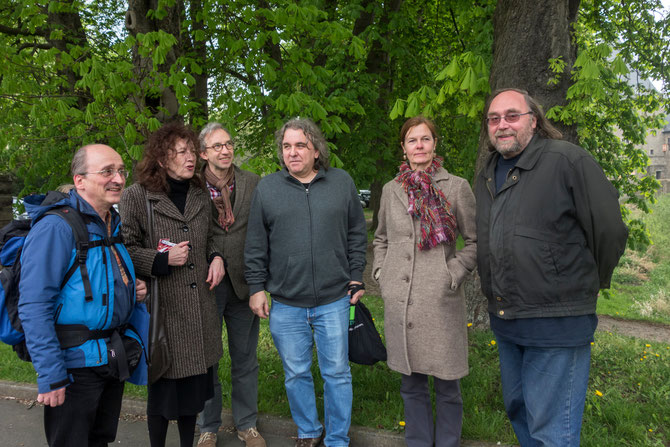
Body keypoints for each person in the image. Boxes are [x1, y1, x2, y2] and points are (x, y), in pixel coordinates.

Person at [475, 88, 629, 446]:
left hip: (556, 322)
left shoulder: (567, 161)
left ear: (534, 120)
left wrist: (581, 284)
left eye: (512, 115)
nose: (502, 125)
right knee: (520, 411)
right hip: (508, 320)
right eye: (494, 119)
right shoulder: (488, 173)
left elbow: (608, 230)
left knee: (552, 431)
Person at [244, 118, 367, 447]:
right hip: (286, 303)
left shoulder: (341, 183)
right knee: (296, 373)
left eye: (300, 145)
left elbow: (357, 233)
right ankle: (309, 431)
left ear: (316, 150)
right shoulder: (267, 189)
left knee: (337, 374)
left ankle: (337, 438)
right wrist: (256, 288)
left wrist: (357, 275)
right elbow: (256, 244)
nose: (292, 152)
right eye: (286, 146)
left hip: (334, 300)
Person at [18, 144, 147, 447]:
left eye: (121, 171)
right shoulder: (57, 228)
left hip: (110, 357)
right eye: (107, 172)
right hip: (74, 365)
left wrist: (130, 289)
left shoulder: (109, 223)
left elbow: (94, 279)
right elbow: (34, 305)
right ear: (80, 180)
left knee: (99, 440)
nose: (118, 178)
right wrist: (51, 375)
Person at [372, 116, 476, 447]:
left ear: (434, 145)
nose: (419, 145)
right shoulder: (391, 190)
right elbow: (381, 239)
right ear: (403, 148)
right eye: (412, 140)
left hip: (439, 300)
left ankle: (447, 443)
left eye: (425, 139)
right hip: (401, 301)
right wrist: (381, 274)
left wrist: (453, 272)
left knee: (447, 384)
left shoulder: (456, 187)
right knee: (410, 383)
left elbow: (476, 242)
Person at [119, 121, 225, 447]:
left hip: (199, 313)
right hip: (163, 314)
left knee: (193, 396)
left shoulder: (199, 193)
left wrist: (218, 256)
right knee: (163, 398)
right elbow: (125, 248)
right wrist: (162, 260)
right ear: (163, 159)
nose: (190, 157)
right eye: (181, 152)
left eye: (192, 151)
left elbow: (212, 236)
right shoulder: (138, 197)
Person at [195, 122, 265, 447]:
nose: (225, 150)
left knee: (245, 357)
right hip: (206, 284)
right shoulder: (191, 186)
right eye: (217, 146)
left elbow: (264, 232)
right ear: (203, 153)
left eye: (228, 144)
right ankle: (208, 426)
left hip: (245, 283)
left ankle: (247, 424)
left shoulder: (252, 182)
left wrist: (262, 281)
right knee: (207, 358)